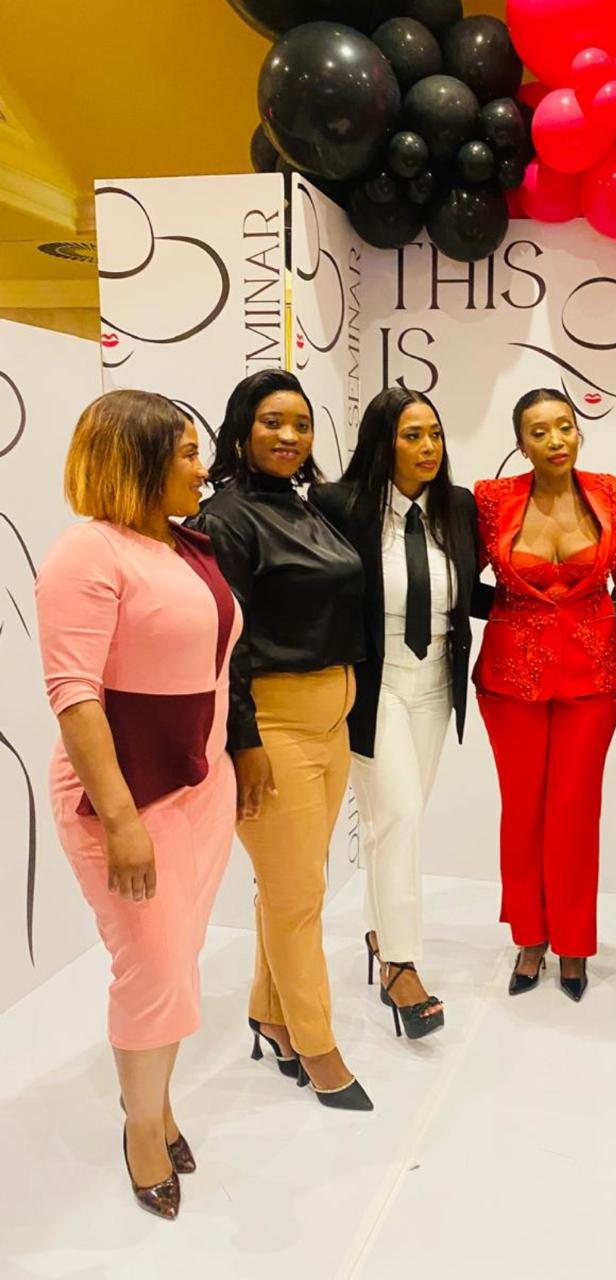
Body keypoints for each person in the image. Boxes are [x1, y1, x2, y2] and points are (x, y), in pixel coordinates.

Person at [36, 390, 241, 1220]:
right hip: (123, 799)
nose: (203, 467)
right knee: (151, 968)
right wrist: (120, 820)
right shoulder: (86, 553)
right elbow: (74, 696)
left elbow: (215, 672)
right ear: (140, 461)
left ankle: (154, 1100)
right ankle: (143, 1126)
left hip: (201, 787)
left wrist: (228, 766)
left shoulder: (187, 544)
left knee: (177, 964)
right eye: (187, 452)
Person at [189, 370, 372, 1111]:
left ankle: (270, 1014)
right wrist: (245, 742)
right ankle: (319, 1046)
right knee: (300, 897)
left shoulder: (304, 505)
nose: (289, 436)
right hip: (273, 723)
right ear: (240, 431)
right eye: (272, 422)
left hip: (332, 717)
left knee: (291, 887)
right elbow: (222, 644)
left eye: (300, 423)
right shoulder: (223, 519)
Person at [310, 388, 488, 1040]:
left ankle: (379, 931)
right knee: (402, 815)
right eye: (412, 436)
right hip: (374, 682)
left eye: (434, 434)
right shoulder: (338, 505)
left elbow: (466, 592)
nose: (428, 447)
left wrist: (546, 605)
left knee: (395, 822)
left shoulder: (458, 508)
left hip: (436, 681)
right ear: (382, 443)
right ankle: (401, 965)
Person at [474, 389, 616, 1001]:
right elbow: (460, 577)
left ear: (579, 431)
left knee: (574, 808)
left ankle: (573, 942)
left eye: (564, 427)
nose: (555, 441)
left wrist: (614, 631)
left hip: (593, 677)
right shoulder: (492, 500)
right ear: (521, 443)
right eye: (539, 431)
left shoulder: (613, 494)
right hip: (510, 676)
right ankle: (529, 936)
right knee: (522, 809)